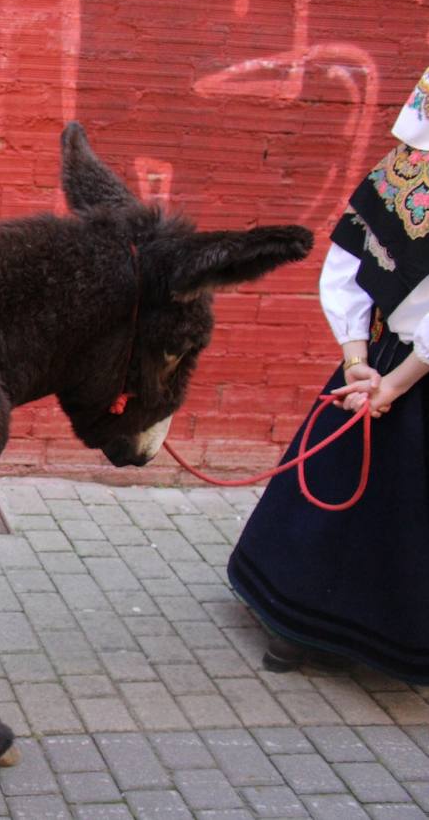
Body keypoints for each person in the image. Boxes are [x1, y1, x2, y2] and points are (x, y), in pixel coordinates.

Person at [228, 64, 429, 681]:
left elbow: (343, 272)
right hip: (398, 372)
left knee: (339, 486)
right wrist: (386, 382)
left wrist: (360, 363)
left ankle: (293, 627)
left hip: (375, 360)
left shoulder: (395, 172)